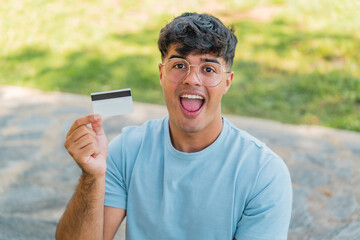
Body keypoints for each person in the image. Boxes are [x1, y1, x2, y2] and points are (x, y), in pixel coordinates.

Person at [56, 12, 292, 240]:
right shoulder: (127, 150)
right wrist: (92, 176)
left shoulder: (264, 174)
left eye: (208, 69)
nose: (192, 79)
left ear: (227, 82)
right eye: (179, 65)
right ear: (161, 74)